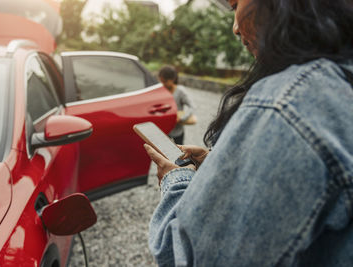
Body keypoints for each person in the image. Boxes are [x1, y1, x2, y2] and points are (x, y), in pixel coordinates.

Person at [144, 0, 353, 266]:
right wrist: (226, 165)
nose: (235, 28)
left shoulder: (285, 106)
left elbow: (188, 254)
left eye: (234, 5)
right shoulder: (340, 80)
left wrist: (176, 179)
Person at [159, 65, 195, 145]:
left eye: (165, 81)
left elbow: (192, 106)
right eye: (161, 81)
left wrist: (182, 118)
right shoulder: (161, 90)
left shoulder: (180, 91)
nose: (163, 84)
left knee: (179, 153)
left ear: (173, 79)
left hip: (177, 131)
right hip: (164, 131)